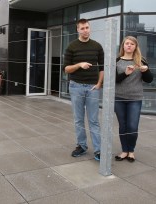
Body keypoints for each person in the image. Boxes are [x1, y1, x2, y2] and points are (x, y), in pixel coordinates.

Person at [63, 18, 104, 161]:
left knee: (94, 120)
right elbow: (66, 69)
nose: (85, 30)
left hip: (93, 87)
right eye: (82, 28)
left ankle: (98, 150)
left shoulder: (97, 46)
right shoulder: (71, 46)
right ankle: (81, 146)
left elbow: (102, 68)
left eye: (87, 27)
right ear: (77, 30)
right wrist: (79, 64)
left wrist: (99, 84)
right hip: (76, 86)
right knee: (78, 119)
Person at [114, 36, 153, 162]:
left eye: (132, 44)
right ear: (123, 46)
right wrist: (125, 73)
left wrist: (145, 71)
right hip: (119, 98)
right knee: (122, 126)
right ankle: (124, 151)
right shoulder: (117, 61)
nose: (129, 45)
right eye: (127, 43)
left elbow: (149, 80)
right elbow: (114, 80)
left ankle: (131, 151)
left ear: (135, 46)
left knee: (132, 126)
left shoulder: (141, 60)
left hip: (135, 98)